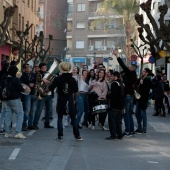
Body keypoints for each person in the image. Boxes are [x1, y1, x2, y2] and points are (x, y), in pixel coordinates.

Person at [48, 62, 83, 141]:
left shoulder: (58, 78)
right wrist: (74, 99)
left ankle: (60, 136)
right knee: (73, 118)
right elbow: (76, 92)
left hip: (61, 99)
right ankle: (77, 136)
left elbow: (51, 88)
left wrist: (50, 83)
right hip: (70, 99)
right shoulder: (73, 79)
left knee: (60, 118)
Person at [113, 50, 137, 137]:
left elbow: (122, 65)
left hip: (127, 96)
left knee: (126, 114)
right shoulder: (134, 75)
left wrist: (117, 56)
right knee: (129, 113)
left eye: (130, 66)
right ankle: (131, 130)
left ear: (133, 68)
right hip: (131, 96)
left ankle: (128, 130)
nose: (129, 67)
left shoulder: (130, 73)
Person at [1, 66, 27, 138]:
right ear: (14, 72)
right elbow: (21, 89)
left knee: (8, 116)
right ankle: (18, 133)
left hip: (6, 99)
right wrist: (24, 88)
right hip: (15, 99)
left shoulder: (5, 78)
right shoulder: (16, 79)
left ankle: (7, 133)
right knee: (20, 115)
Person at [33, 62, 54, 129]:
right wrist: (42, 79)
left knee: (49, 110)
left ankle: (47, 123)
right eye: (43, 68)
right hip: (42, 94)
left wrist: (50, 82)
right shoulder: (38, 74)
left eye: (45, 67)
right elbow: (37, 83)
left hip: (49, 94)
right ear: (40, 68)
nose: (44, 69)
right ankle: (35, 124)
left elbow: (52, 83)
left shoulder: (49, 74)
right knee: (39, 110)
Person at [106, 71, 124, 140]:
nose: (111, 77)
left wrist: (108, 96)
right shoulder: (121, 83)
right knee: (118, 121)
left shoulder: (114, 83)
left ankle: (113, 135)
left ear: (115, 76)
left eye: (112, 76)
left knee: (112, 120)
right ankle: (119, 134)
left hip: (114, 104)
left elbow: (113, 94)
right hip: (120, 105)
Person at [135, 68, 152, 133]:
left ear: (147, 73)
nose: (142, 72)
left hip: (144, 99)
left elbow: (146, 90)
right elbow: (136, 83)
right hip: (139, 98)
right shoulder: (141, 79)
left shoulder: (148, 80)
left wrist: (142, 84)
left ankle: (144, 128)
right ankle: (139, 127)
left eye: (144, 71)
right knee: (137, 113)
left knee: (143, 113)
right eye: (142, 71)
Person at [20, 63, 36, 131]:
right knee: (27, 110)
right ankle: (24, 125)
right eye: (26, 67)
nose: (28, 68)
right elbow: (21, 85)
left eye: (29, 67)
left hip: (33, 93)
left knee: (32, 111)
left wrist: (34, 84)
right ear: (24, 69)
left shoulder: (33, 74)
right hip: (27, 94)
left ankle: (30, 124)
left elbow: (36, 82)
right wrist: (28, 85)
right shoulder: (22, 76)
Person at [0, 60, 10, 134]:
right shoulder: (7, 75)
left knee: (3, 112)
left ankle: (1, 127)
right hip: (6, 94)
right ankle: (5, 128)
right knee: (6, 112)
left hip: (1, 94)